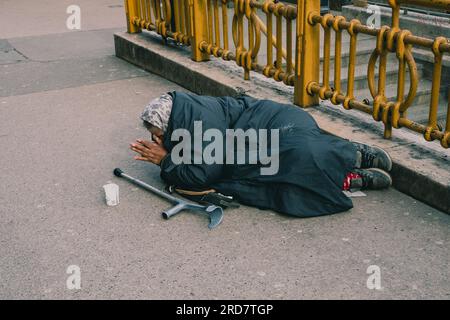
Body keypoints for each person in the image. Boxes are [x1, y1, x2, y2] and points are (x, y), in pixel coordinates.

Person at [130, 91, 392, 218]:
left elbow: (202, 173)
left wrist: (166, 160)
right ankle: (349, 178)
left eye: (159, 134)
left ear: (171, 122)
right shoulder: (185, 115)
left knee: (294, 155)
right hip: (256, 132)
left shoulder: (199, 121)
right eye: (155, 137)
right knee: (277, 179)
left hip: (272, 124)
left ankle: (353, 155)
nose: (158, 140)